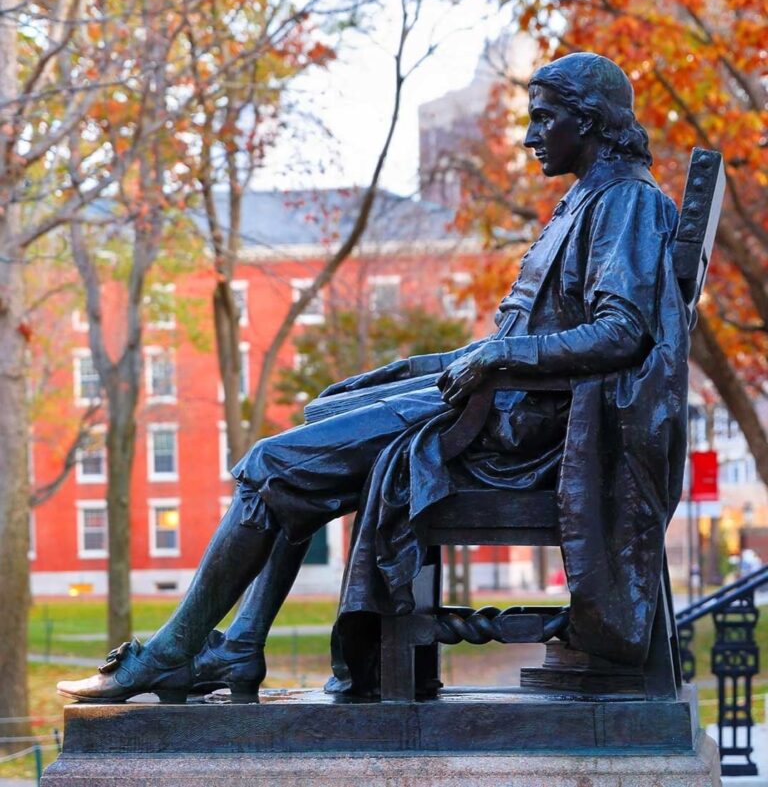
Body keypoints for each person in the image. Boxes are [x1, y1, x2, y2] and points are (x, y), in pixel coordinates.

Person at [58, 52, 689, 703]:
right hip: (503, 406)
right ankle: (241, 642)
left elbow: (622, 333)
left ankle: (173, 652)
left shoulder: (626, 202)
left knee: (270, 465)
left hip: (523, 431)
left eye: (544, 119)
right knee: (321, 415)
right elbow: (521, 337)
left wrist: (495, 359)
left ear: (589, 120)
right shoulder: (589, 199)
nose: (530, 136)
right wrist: (412, 368)